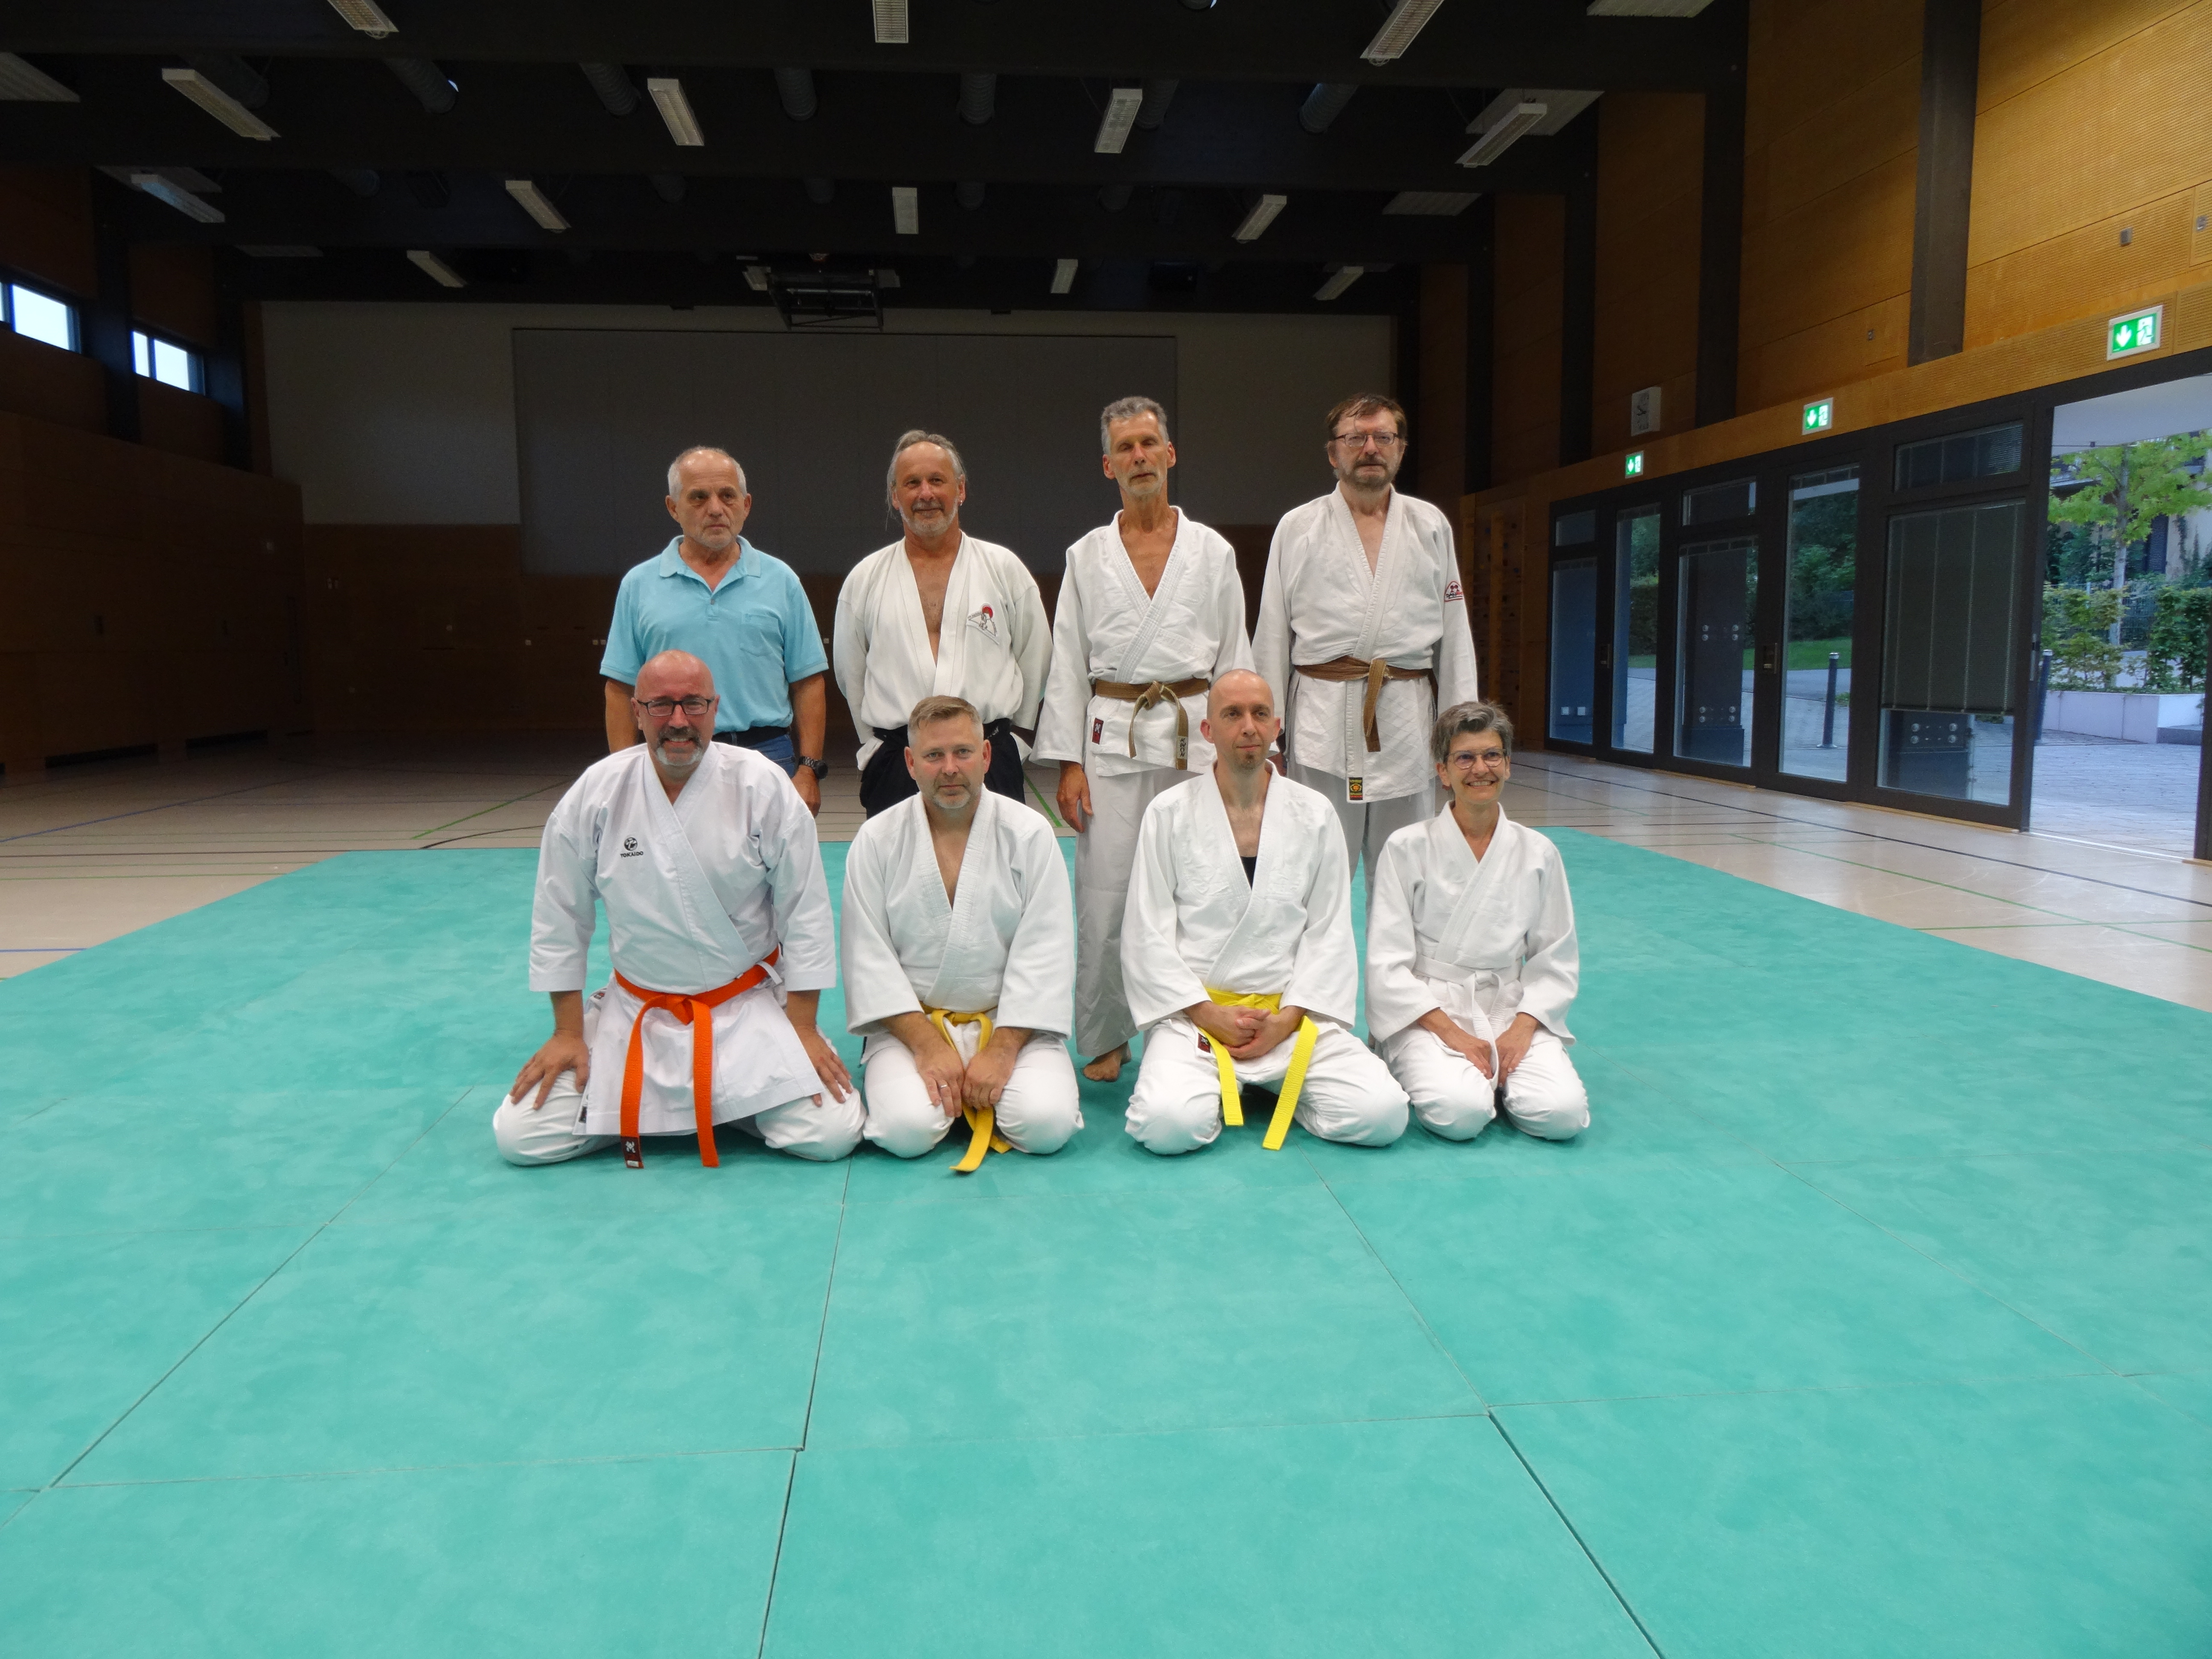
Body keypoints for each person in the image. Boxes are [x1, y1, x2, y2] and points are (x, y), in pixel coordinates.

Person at [494, 650, 860, 1167]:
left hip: (742, 1010)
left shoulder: (761, 784)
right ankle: (729, 1107)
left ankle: (697, 1107)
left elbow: (806, 912)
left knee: (831, 1134)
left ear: (715, 708)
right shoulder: (597, 793)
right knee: (521, 1136)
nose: (679, 721)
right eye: (661, 706)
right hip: (637, 1012)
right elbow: (560, 916)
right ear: (637, 713)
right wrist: (568, 1033)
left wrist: (801, 1027)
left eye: (693, 704)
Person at [1034, 396, 1254, 1084]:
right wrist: (1068, 764)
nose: (1138, 457)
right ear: (1108, 465)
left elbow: (1235, 656)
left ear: (1170, 454)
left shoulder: (1212, 551)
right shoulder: (1085, 555)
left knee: (1200, 883)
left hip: (1196, 740)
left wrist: (1241, 748)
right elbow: (1066, 660)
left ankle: (1193, 1017)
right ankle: (1104, 1030)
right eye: (1124, 448)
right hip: (1111, 739)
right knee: (1105, 890)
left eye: (1148, 444)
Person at [1119, 669, 1409, 1155]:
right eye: (1232, 714)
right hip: (1198, 1020)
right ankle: (1225, 1087)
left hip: (1288, 1018)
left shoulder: (1316, 814)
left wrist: (1288, 1018)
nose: (1248, 727)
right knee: (1166, 1127)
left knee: (1384, 1115)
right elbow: (1146, 932)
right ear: (1208, 731)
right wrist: (1206, 1012)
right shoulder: (1168, 813)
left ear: (1277, 726)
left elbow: (1330, 930)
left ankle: (1279, 1091)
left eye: (1259, 714)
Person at [841, 695, 1082, 1167]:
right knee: (904, 1131)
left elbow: (1046, 950)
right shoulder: (877, 840)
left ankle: (972, 1090)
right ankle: (946, 1091)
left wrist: (1005, 1047)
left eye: (963, 753)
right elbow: (868, 956)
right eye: (933, 756)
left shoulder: (1030, 835)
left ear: (987, 757)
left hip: (1011, 1021)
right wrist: (928, 1044)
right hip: (913, 1026)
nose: (950, 768)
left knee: (1046, 1125)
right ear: (911, 763)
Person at [1252, 394, 1480, 890]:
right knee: (1313, 876)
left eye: (1383, 438)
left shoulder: (1430, 526)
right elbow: (1271, 633)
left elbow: (1455, 636)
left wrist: (1464, 737)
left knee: (1406, 878)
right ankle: (1316, 970)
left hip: (1407, 729)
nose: (1370, 448)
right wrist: (1267, 735)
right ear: (1334, 453)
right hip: (1321, 727)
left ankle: (1396, 970)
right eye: (1356, 438)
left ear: (1401, 450)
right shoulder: (1299, 527)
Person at [1367, 701, 1589, 1141]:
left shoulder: (1539, 852)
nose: (1480, 768)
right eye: (1464, 757)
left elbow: (1554, 958)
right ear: (1443, 773)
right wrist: (1454, 1035)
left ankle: (1503, 1078)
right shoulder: (1405, 847)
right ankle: (1414, 1060)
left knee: (1561, 1116)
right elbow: (1387, 962)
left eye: (1491, 755)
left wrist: (1523, 1028)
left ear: (1508, 766)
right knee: (1461, 1115)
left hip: (1509, 1004)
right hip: (1429, 1010)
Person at [600, 447, 833, 814]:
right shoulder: (639, 585)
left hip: (768, 754)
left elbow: (808, 682)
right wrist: (623, 771)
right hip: (672, 754)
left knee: (770, 870)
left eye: (727, 496)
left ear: (746, 505)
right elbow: (620, 688)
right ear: (673, 508)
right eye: (698, 497)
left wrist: (808, 770)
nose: (715, 508)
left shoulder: (782, 581)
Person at [832, 430, 1051, 817]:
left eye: (937, 480)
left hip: (988, 755)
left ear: (961, 489)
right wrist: (874, 745)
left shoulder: (1003, 569)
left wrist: (1014, 737)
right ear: (894, 496)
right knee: (900, 876)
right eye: (912, 483)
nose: (926, 494)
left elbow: (1037, 659)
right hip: (898, 760)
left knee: (994, 874)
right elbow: (851, 676)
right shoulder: (865, 579)